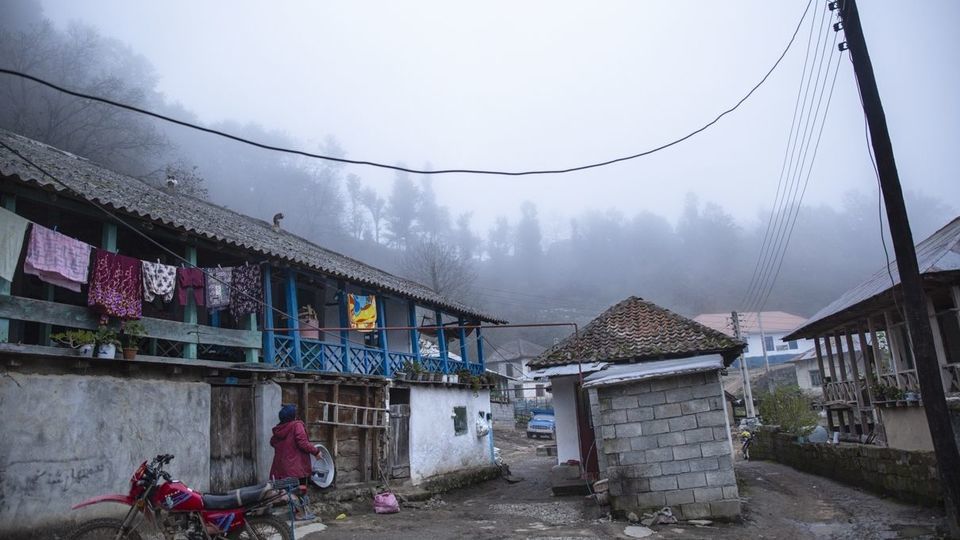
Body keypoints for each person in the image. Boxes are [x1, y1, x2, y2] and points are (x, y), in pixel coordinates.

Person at [270, 404, 320, 520]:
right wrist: (316, 451)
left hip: (282, 466)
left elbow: (272, 442)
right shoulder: (296, 425)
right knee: (300, 489)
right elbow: (302, 442)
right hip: (295, 466)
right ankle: (300, 514)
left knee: (289, 490)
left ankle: (298, 512)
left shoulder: (279, 428)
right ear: (293, 416)